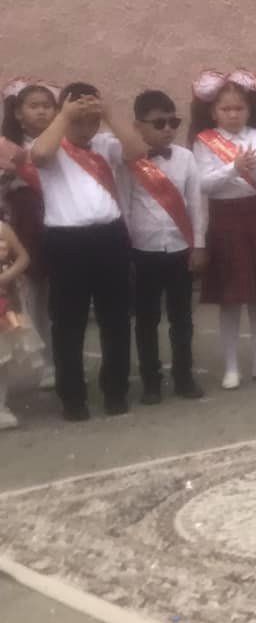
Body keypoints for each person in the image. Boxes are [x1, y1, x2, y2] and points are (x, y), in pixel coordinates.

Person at [29, 81, 140, 420]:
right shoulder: (50, 143)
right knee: (68, 322)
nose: (85, 126)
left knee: (116, 318)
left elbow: (138, 151)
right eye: (79, 118)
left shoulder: (105, 144)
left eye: (91, 119)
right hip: (66, 241)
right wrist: (64, 116)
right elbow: (40, 156)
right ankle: (72, 397)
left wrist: (108, 114)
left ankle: (115, 390)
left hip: (110, 236)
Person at [189, 69, 256, 390]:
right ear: (213, 112)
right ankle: (231, 367)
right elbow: (204, 185)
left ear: (249, 110)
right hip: (225, 220)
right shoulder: (204, 141)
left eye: (239, 108)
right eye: (225, 109)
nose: (233, 114)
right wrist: (234, 168)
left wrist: (253, 168)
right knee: (230, 299)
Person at [123, 89, 207, 404]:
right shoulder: (129, 162)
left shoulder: (186, 158)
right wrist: (126, 252)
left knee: (182, 318)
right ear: (138, 126)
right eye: (159, 123)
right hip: (143, 250)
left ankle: (184, 376)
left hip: (179, 248)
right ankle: (151, 381)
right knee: (146, 320)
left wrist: (199, 245)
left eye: (174, 122)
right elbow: (125, 205)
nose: (168, 129)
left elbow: (197, 204)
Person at [1, 80, 59, 388]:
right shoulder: (8, 149)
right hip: (25, 228)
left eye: (47, 106)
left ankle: (61, 357)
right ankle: (43, 363)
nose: (41, 112)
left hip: (60, 225)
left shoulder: (64, 144)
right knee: (32, 299)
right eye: (34, 106)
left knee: (60, 299)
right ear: (18, 113)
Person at [0, 215, 44, 428]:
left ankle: (0, 406)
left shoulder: (2, 229)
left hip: (3, 304)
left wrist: (5, 276)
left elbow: (23, 257)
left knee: (2, 358)